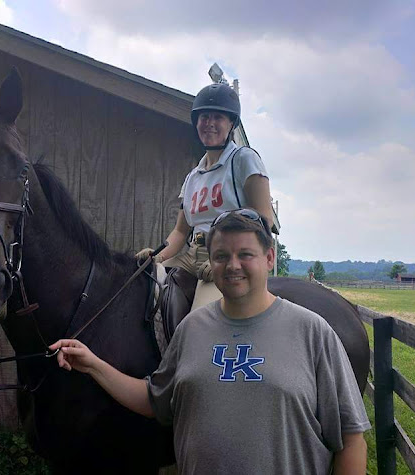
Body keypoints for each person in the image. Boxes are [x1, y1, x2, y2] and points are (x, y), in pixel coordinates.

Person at [50, 209, 370, 474]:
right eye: (221, 256)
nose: (232, 265)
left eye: (245, 254)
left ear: (269, 257)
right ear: (211, 262)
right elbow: (154, 400)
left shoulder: (313, 332)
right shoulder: (191, 329)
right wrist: (93, 365)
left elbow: (352, 438)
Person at [136, 82, 274, 311]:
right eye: (204, 117)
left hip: (229, 254)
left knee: (203, 320)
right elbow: (181, 232)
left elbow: (263, 219)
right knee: (142, 288)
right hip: (191, 255)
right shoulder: (192, 177)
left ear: (231, 124)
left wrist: (227, 257)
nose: (209, 123)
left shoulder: (244, 159)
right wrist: (157, 256)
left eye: (218, 117)